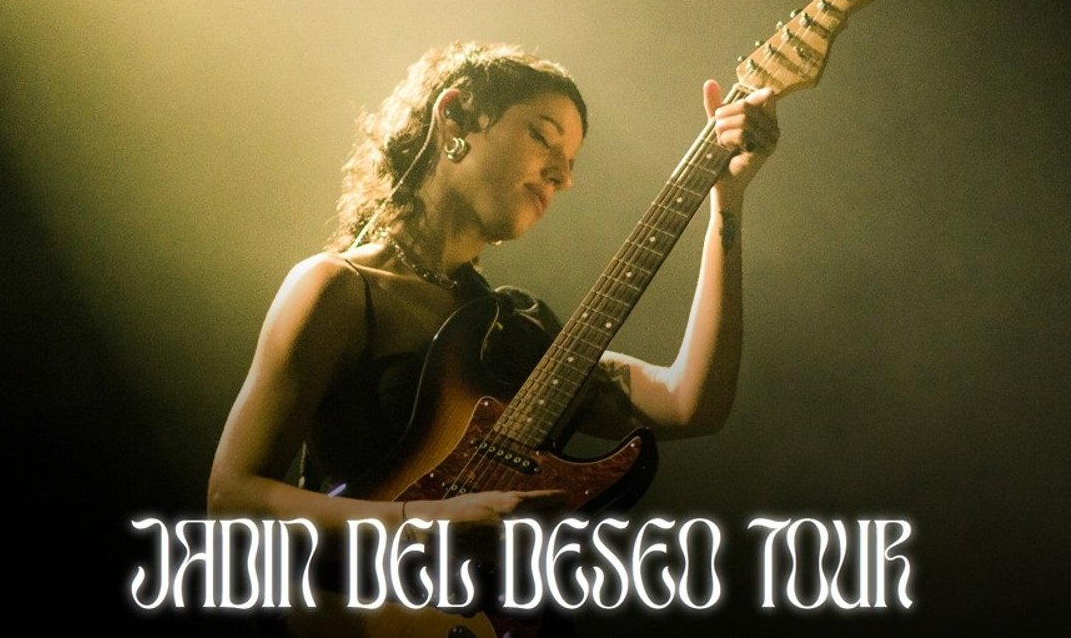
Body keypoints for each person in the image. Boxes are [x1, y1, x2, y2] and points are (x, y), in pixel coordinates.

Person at [207, 41, 779, 628]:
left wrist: (726, 201)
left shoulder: (514, 334)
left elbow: (689, 402)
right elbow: (231, 499)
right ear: (455, 117)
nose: (563, 175)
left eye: (571, 162)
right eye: (543, 136)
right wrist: (421, 523)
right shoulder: (340, 288)